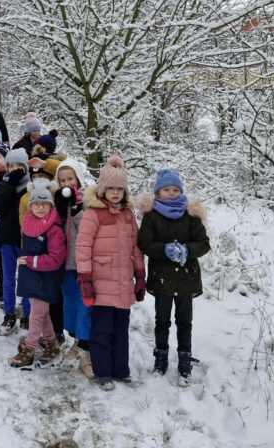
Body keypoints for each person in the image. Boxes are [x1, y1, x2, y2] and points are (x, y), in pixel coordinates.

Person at [75, 155, 145, 390]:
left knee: (121, 330)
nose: (115, 193)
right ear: (102, 189)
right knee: (102, 330)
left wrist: (140, 275)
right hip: (101, 282)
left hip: (123, 282)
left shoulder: (128, 214)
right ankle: (103, 371)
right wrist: (85, 278)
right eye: (111, 188)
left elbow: (135, 247)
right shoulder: (93, 213)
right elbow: (82, 248)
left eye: (119, 189)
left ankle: (121, 370)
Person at [137, 168, 210, 386]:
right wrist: (164, 250)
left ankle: (185, 361)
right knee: (162, 321)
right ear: (158, 192)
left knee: (184, 322)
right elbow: (144, 243)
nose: (171, 193)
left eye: (175, 190)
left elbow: (204, 243)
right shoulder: (151, 216)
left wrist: (188, 250)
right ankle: (160, 359)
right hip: (162, 279)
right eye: (166, 189)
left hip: (186, 279)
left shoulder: (191, 215)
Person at [10, 179, 66, 369]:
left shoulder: (54, 229)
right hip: (31, 275)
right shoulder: (28, 223)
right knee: (41, 312)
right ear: (31, 205)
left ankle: (30, 348)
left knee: (36, 315)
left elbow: (56, 258)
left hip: (46, 278)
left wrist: (30, 261)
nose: (40, 207)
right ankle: (51, 343)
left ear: (51, 206)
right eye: (36, 203)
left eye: (45, 204)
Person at [52, 158, 93, 377]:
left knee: (84, 303)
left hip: (83, 262)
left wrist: (77, 209)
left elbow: (88, 227)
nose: (67, 183)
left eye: (70, 179)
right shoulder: (56, 200)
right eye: (63, 180)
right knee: (69, 303)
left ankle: (86, 347)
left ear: (77, 179)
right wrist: (59, 211)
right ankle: (76, 339)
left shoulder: (87, 199)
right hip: (64, 262)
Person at [0, 148, 30, 336]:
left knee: (26, 280)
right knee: (8, 280)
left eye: (19, 166)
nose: (15, 169)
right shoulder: (3, 185)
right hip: (7, 239)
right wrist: (11, 184)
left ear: (26, 167)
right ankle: (9, 314)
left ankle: (28, 314)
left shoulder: (31, 187)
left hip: (25, 241)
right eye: (12, 166)